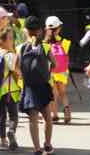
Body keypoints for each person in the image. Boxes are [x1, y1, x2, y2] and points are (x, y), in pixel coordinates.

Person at [18, 16, 55, 155]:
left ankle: (37, 148)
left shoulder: (21, 47)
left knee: (33, 119)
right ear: (40, 31)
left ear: (26, 31)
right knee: (47, 117)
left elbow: (17, 67)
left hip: (29, 87)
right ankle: (47, 143)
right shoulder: (45, 46)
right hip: (43, 86)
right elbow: (55, 63)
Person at [0, 28, 21, 151]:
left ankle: (2, 140)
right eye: (11, 39)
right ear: (3, 41)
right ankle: (11, 131)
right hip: (10, 90)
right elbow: (18, 71)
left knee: (1, 116)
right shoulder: (10, 55)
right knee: (13, 116)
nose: (13, 41)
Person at [44, 16, 72, 124]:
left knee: (53, 93)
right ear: (59, 28)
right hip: (62, 71)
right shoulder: (65, 42)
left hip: (50, 71)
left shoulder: (44, 43)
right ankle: (67, 111)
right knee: (63, 93)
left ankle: (54, 115)